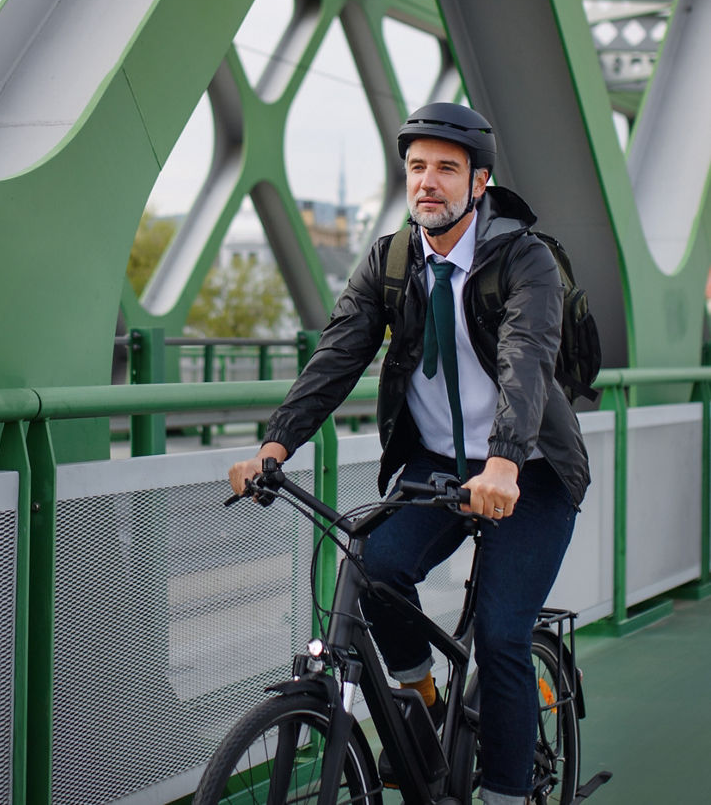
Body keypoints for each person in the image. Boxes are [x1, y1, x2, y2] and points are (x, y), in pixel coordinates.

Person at [228, 102, 588, 805]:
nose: (427, 181)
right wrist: (275, 444)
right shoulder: (390, 261)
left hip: (530, 470)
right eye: (417, 166)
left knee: (501, 636)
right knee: (373, 566)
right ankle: (421, 701)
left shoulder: (525, 259)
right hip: (438, 466)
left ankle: (507, 794)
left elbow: (525, 359)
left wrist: (505, 461)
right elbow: (338, 355)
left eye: (447, 168)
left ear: (479, 183)